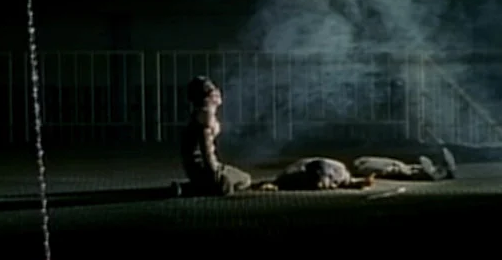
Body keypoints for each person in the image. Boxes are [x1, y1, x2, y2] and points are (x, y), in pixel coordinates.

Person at [174, 76, 252, 196]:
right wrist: (216, 176)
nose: (218, 92)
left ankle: (192, 188)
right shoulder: (205, 118)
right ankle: (198, 188)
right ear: (208, 97)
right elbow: (207, 153)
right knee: (245, 179)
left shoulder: (198, 115)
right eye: (213, 90)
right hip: (206, 169)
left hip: (194, 170)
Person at [257, 147, 456, 191]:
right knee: (390, 166)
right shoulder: (301, 177)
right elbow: (350, 183)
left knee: (377, 165)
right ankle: (428, 172)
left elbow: (346, 180)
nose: (327, 187)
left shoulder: (337, 171)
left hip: (351, 164)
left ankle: (426, 171)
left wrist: (274, 184)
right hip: (349, 165)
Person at [352, 147, 457, 181]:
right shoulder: (363, 166)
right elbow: (423, 160)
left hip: (402, 169)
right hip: (402, 169)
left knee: (393, 165)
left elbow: (423, 160)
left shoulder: (362, 163)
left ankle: (443, 171)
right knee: (393, 166)